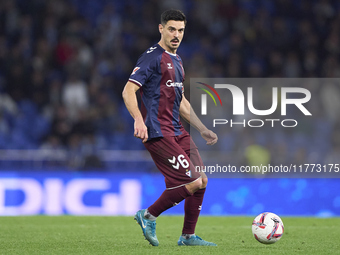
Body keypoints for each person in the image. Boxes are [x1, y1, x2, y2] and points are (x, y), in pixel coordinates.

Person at [122, 9, 218, 247]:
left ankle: (187, 236)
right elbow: (128, 90)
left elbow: (181, 101)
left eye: (181, 30)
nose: (176, 35)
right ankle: (148, 216)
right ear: (161, 28)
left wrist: (201, 128)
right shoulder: (152, 57)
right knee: (193, 181)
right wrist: (137, 118)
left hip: (177, 130)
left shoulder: (177, 60)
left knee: (202, 180)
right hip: (158, 131)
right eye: (172, 29)